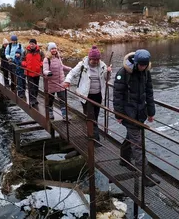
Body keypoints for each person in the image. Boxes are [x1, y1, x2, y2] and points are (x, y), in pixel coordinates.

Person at [113, 49, 160, 187]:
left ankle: (124, 157)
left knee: (132, 138)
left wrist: (151, 112)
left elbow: (149, 92)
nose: (142, 67)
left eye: (145, 65)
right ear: (136, 62)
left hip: (140, 113)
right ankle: (146, 176)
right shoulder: (123, 73)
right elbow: (117, 95)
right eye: (141, 65)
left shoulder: (146, 73)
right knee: (138, 144)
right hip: (128, 114)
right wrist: (119, 114)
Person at [63, 45, 112, 143]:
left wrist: (109, 72)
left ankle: (90, 133)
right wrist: (67, 81)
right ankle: (95, 139)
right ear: (90, 58)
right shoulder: (82, 65)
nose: (96, 62)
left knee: (95, 117)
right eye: (94, 60)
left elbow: (107, 79)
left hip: (98, 95)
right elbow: (72, 73)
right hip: (86, 96)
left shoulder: (102, 65)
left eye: (97, 60)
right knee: (91, 117)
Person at [43, 42, 72, 120]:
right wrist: (48, 73)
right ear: (49, 50)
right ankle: (50, 113)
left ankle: (65, 115)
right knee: (50, 100)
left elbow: (62, 66)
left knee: (63, 99)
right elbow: (45, 70)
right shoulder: (47, 59)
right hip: (51, 83)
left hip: (60, 82)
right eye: (52, 49)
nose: (54, 50)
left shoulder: (58, 57)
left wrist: (70, 69)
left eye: (55, 48)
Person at [22, 39, 44, 106]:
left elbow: (43, 60)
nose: (31, 45)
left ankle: (35, 98)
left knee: (36, 86)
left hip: (37, 72)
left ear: (35, 44)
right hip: (29, 72)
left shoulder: (40, 52)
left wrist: (40, 65)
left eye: (33, 44)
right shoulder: (25, 51)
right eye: (30, 44)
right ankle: (31, 100)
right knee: (30, 86)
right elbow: (22, 60)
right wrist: (26, 65)